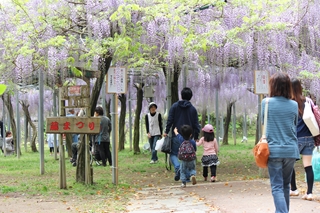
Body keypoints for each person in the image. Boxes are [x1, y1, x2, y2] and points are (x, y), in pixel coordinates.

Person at [262, 72, 299, 213]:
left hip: (274, 150)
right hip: (290, 150)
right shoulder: (294, 104)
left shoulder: (266, 103)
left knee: (277, 186)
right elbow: (293, 125)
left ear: (273, 86)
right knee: (285, 185)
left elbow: (264, 123)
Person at [164, 87, 200, 181]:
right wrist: (196, 136)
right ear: (190, 97)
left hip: (177, 135)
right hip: (189, 136)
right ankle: (188, 176)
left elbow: (170, 120)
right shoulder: (192, 109)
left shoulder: (174, 106)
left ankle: (178, 167)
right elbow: (196, 124)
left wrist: (166, 131)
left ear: (181, 95)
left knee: (173, 154)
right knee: (188, 156)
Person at [290, 78, 315, 201]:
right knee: (308, 166)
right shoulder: (308, 101)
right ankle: (309, 193)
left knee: (290, 165)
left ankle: (294, 189)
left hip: (296, 138)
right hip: (309, 137)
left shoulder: (290, 102)